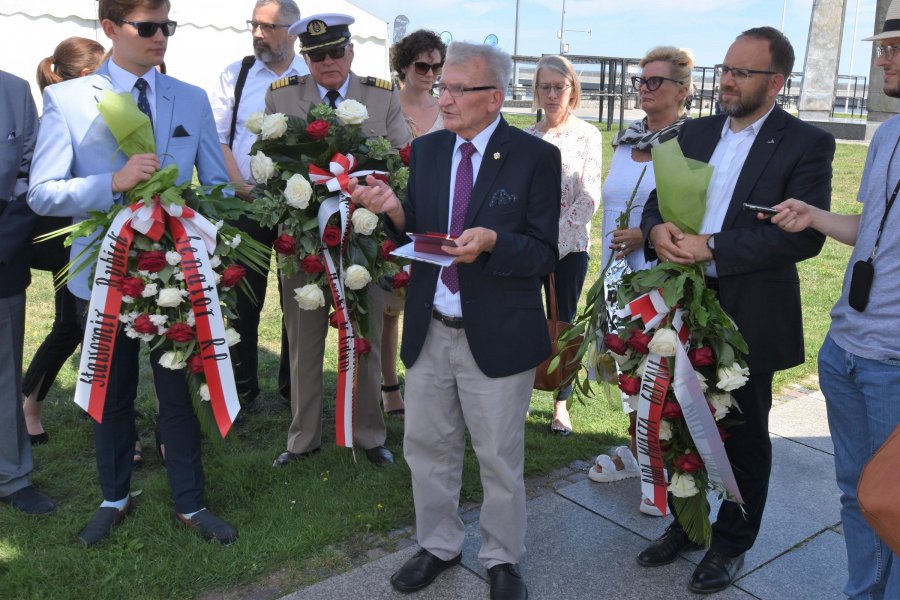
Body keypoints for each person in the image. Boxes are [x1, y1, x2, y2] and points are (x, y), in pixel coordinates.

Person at [350, 41, 561, 600]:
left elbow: (542, 252)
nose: (441, 97)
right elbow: (418, 232)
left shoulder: (534, 157)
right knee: (428, 447)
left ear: (493, 98)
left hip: (496, 333)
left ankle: (501, 558)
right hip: (431, 326)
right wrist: (392, 209)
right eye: (440, 85)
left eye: (455, 89)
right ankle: (439, 545)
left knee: (497, 456)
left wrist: (492, 243)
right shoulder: (431, 150)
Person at [27, 0, 237, 546]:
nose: (161, 35)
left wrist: (201, 226)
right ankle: (113, 495)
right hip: (104, 274)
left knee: (176, 392)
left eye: (167, 25)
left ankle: (191, 502)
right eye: (148, 27)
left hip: (176, 272)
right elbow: (43, 193)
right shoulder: (68, 100)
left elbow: (214, 183)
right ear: (110, 29)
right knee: (112, 390)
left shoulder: (188, 97)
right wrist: (113, 183)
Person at [638, 26, 834, 593]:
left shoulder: (805, 144)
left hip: (748, 311)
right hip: (678, 305)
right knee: (676, 423)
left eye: (742, 73)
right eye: (724, 70)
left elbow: (801, 238)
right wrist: (658, 229)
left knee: (743, 432)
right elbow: (656, 198)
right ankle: (686, 522)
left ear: (775, 83)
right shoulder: (694, 132)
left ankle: (731, 542)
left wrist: (715, 247)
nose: (726, 81)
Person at [768, 6, 900, 596]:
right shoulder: (890, 132)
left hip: (892, 361)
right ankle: (862, 591)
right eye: (883, 46)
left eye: (896, 47)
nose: (882, 58)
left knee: (891, 497)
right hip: (846, 344)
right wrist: (815, 216)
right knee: (856, 490)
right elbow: (874, 228)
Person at [266, 12, 411, 467]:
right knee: (302, 340)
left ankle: (369, 435)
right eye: (317, 55)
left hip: (362, 239)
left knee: (364, 336)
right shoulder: (283, 96)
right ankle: (302, 439)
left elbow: (400, 161)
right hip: (304, 243)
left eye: (335, 51)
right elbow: (270, 167)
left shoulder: (380, 96)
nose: (328, 62)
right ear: (305, 58)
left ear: (350, 51)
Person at [588, 46, 694, 518]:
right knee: (626, 366)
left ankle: (667, 460)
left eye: (656, 81)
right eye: (641, 80)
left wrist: (643, 235)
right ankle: (638, 450)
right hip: (617, 275)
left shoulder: (692, 143)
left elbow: (694, 213)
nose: (645, 89)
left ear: (683, 90)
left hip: (659, 275)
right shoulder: (624, 140)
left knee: (660, 374)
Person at [208, 0, 308, 410]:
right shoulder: (236, 74)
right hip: (245, 202)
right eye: (254, 24)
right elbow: (218, 137)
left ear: (294, 30)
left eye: (267, 26)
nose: (257, 34)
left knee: (299, 301)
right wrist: (238, 185)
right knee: (241, 298)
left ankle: (293, 392)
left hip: (297, 206)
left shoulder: (310, 76)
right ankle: (242, 391)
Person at [22, 37, 106, 445]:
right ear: (89, 75)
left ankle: (31, 407)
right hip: (64, 236)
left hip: (82, 232)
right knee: (72, 325)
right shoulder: (67, 110)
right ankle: (30, 408)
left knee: (76, 326)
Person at [525, 54, 602, 436]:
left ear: (572, 91)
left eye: (560, 86)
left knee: (564, 323)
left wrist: (551, 241)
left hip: (568, 249)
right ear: (536, 91)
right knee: (524, 318)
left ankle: (561, 403)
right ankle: (521, 390)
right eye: (545, 87)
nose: (552, 94)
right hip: (527, 250)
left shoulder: (588, 136)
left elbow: (589, 197)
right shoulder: (526, 138)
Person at [380, 29, 447, 419]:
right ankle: (389, 386)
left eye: (436, 66)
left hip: (434, 219)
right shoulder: (388, 106)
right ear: (403, 65)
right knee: (390, 309)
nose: (430, 73)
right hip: (393, 217)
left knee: (431, 306)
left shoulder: (445, 109)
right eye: (422, 65)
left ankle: (429, 385)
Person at [0, 69, 55, 515]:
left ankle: (13, 475)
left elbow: (30, 174)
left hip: (2, 249)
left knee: (3, 368)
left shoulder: (14, 91)